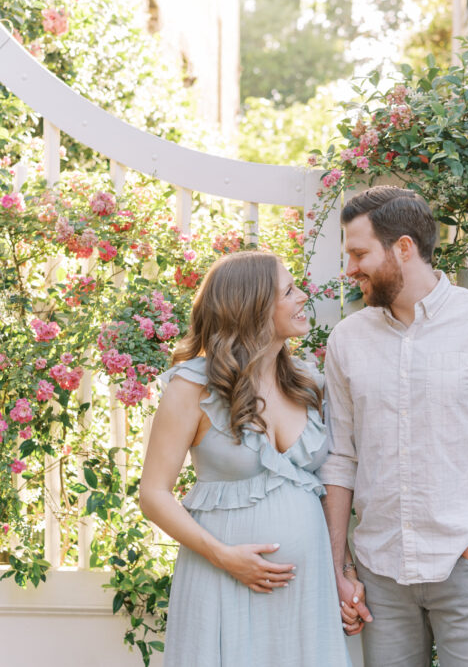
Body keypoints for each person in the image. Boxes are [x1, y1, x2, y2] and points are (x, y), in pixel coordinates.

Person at [320, 186, 468, 667]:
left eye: (359, 253)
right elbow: (340, 458)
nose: (350, 269)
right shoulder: (347, 339)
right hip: (380, 573)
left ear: (404, 248)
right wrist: (338, 567)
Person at [139, 250, 352, 667]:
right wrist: (225, 557)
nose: (303, 296)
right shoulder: (192, 387)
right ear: (252, 307)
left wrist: (343, 572)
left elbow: (335, 483)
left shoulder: (309, 383)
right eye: (289, 291)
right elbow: (153, 494)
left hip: (308, 593)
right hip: (223, 581)